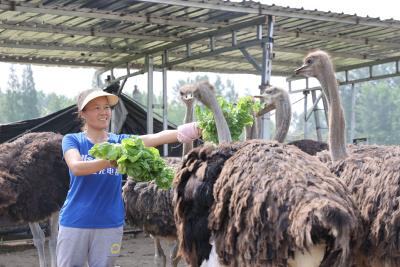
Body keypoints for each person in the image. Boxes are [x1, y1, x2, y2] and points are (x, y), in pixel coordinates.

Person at [57, 88, 201, 267]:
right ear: (83, 113)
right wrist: (111, 160)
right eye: (96, 108)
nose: (104, 112)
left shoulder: (120, 142)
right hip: (75, 222)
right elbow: (77, 167)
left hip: (109, 224)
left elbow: (153, 138)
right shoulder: (73, 140)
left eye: (106, 107)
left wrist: (192, 129)